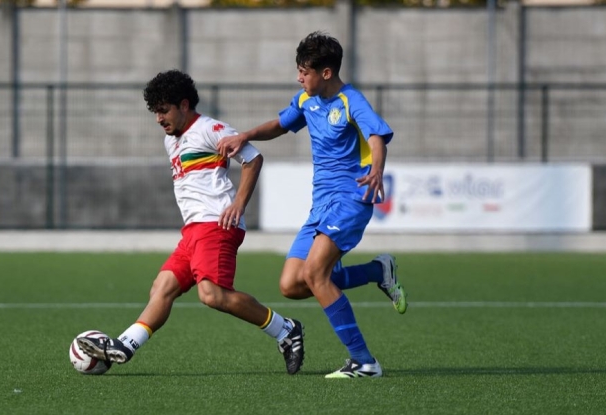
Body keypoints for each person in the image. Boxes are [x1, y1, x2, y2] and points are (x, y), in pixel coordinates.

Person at [77, 70, 305, 375]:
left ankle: (285, 329)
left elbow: (253, 159)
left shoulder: (210, 129)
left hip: (216, 225)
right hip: (193, 231)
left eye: (163, 110)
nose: (158, 118)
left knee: (212, 294)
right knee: (162, 287)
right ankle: (125, 345)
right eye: (155, 112)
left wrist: (238, 204)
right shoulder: (170, 141)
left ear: (184, 105)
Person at [217, 31, 407, 379]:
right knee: (291, 284)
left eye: (304, 72)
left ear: (326, 73)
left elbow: (376, 136)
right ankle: (376, 272)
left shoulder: (351, 101)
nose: (299, 77)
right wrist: (245, 135)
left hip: (351, 199)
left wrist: (377, 170)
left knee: (316, 274)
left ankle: (364, 362)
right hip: (320, 205)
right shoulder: (307, 100)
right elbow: (279, 125)